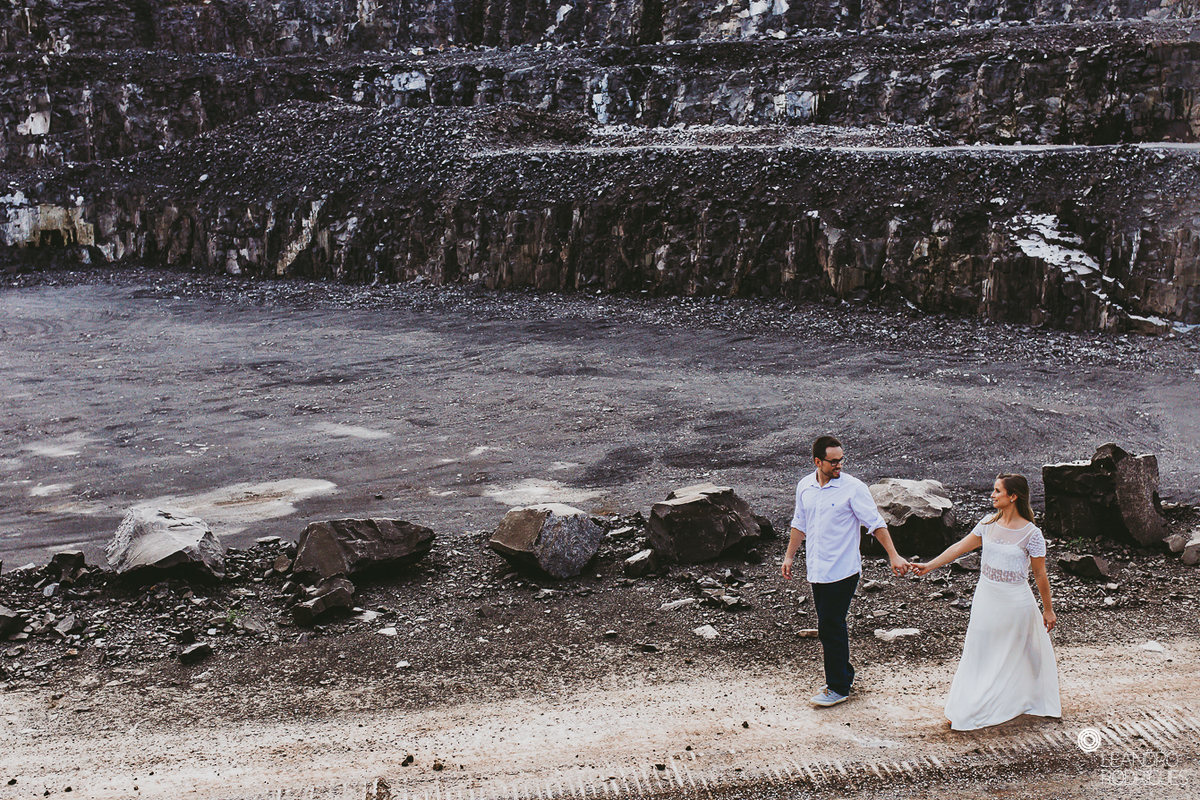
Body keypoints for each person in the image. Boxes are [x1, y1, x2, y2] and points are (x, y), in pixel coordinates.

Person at [911, 474, 1061, 731]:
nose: (992, 495)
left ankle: (1031, 696)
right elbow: (959, 548)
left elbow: (1040, 575)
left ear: (1012, 496)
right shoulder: (987, 523)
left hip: (1016, 601)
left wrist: (1048, 609)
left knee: (1024, 650)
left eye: (997, 491)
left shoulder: (1031, 534)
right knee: (980, 649)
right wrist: (929, 566)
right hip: (986, 598)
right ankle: (972, 703)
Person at [782, 435, 909, 707]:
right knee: (831, 624)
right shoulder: (805, 486)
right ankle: (845, 675)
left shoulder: (853, 488)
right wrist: (789, 556)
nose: (839, 465)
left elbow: (875, 523)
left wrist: (894, 555)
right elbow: (799, 523)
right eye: (833, 461)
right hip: (817, 569)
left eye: (841, 460)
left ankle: (838, 687)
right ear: (818, 461)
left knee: (830, 626)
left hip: (842, 569)